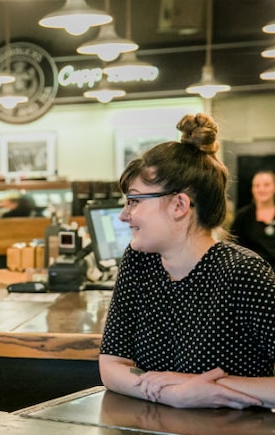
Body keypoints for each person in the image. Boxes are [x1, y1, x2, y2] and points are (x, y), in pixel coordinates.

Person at [99, 113, 275, 410]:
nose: (124, 215)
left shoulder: (243, 273)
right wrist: (173, 393)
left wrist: (207, 388)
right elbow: (112, 364)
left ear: (179, 205)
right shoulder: (139, 262)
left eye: (135, 201)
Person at [230, 170, 275, 269]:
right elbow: (233, 247)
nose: (261, 189)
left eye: (266, 185)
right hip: (253, 273)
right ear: (252, 189)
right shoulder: (242, 217)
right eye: (257, 185)